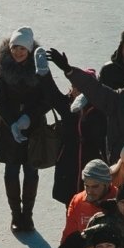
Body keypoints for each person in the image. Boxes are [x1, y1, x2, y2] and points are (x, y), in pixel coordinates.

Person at [0, 26, 62, 232]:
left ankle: (27, 216)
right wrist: (13, 122)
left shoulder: (39, 68)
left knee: (31, 172)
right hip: (9, 128)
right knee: (11, 172)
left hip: (35, 130)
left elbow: (48, 97)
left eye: (22, 49)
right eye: (15, 48)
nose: (18, 52)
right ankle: (16, 214)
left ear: (30, 50)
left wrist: (29, 117)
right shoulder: (2, 68)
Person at [51, 69, 108, 206]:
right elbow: (50, 91)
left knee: (94, 201)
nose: (76, 90)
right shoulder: (67, 105)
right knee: (70, 203)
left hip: (91, 163)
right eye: (74, 86)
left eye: (81, 87)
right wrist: (44, 72)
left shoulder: (100, 109)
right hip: (68, 162)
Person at [54, 159, 117, 248]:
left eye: (95, 187)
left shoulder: (119, 201)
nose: (89, 191)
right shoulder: (77, 201)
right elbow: (69, 235)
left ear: (107, 184)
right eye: (86, 186)